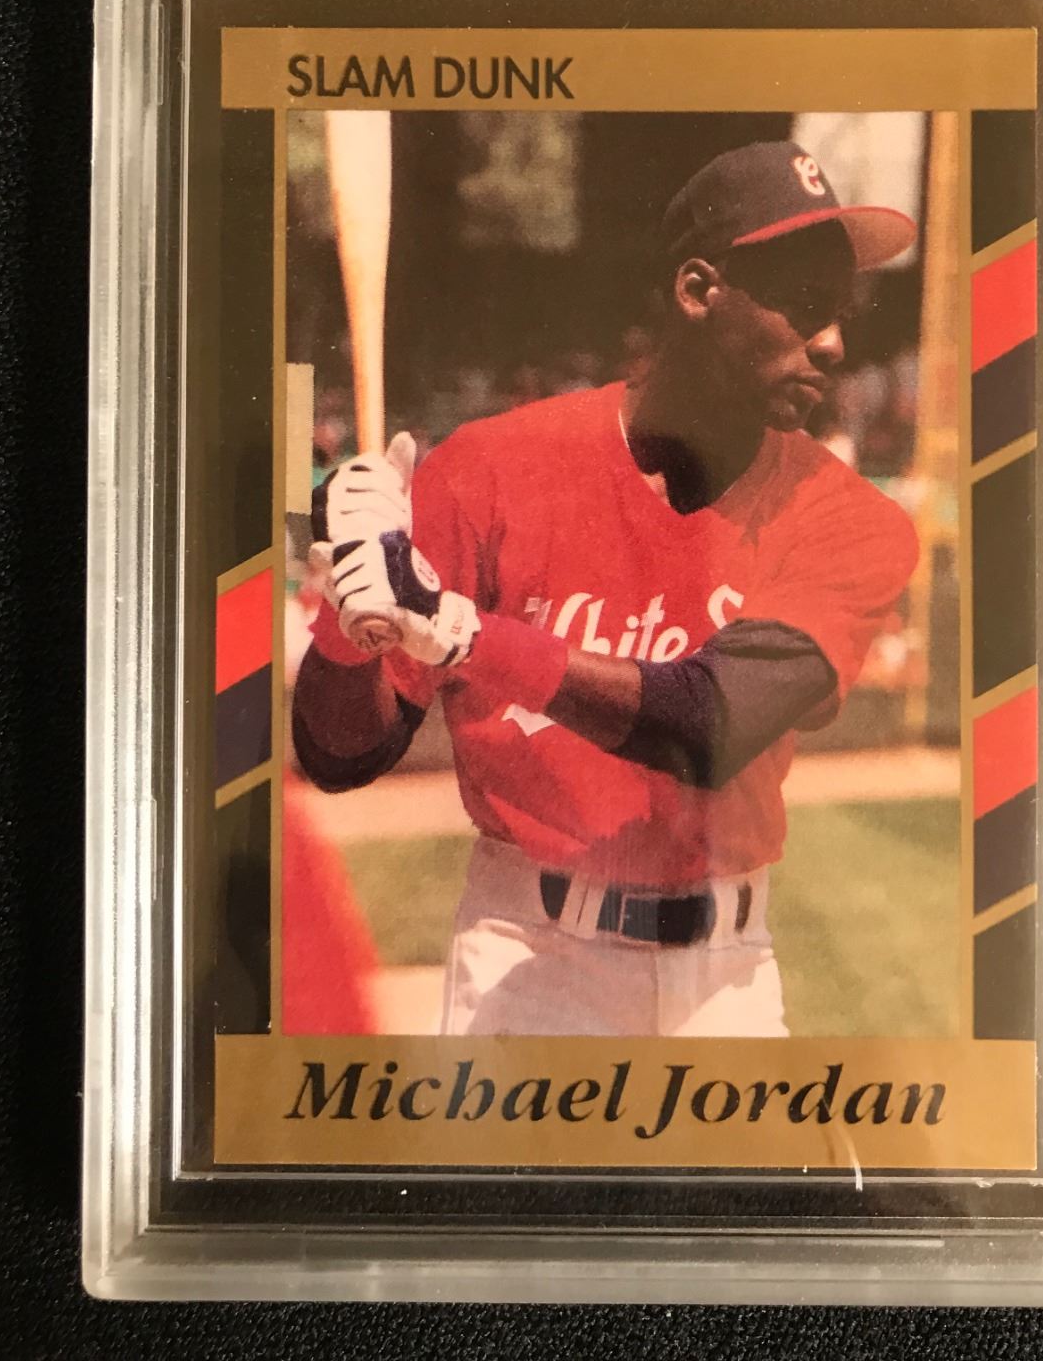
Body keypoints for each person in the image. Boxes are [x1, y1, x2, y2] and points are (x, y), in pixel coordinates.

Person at [292, 141, 919, 1038]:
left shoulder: (848, 517)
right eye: (805, 304)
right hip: (528, 962)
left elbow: (709, 725)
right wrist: (352, 614)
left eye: (841, 311)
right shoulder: (489, 469)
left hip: (726, 982)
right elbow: (337, 755)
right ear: (698, 290)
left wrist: (468, 634)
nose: (834, 343)